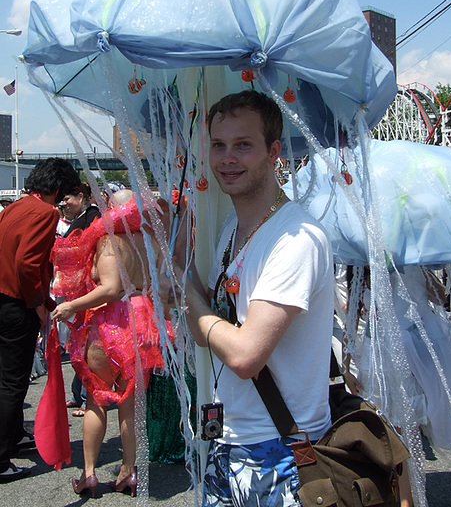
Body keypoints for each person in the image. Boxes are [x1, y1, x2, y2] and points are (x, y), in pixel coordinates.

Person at [149, 90, 334, 506]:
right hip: (226, 443)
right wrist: (176, 262)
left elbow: (246, 356)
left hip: (281, 450)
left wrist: (185, 290)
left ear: (273, 152)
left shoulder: (296, 239)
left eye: (243, 145)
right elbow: (207, 332)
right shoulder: (232, 229)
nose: (227, 158)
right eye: (218, 145)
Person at [52, 189, 166, 498]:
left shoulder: (109, 242)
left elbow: (111, 288)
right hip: (142, 324)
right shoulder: (149, 240)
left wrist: (70, 306)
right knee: (129, 405)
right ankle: (128, 472)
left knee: (96, 401)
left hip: (111, 326)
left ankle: (89, 475)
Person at [0, 157, 80, 483]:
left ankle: (15, 434)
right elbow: (27, 263)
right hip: (17, 304)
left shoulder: (14, 208)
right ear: (57, 189)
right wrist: (39, 304)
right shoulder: (45, 213)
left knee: (8, 377)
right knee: (13, 381)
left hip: (5, 298)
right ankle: (2, 457)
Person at [59, 182, 101, 416]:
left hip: (87, 291)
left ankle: (88, 397)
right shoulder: (83, 216)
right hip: (77, 289)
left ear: (80, 196)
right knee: (77, 344)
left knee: (86, 345)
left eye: (67, 198)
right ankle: (79, 394)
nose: (64, 204)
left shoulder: (93, 216)